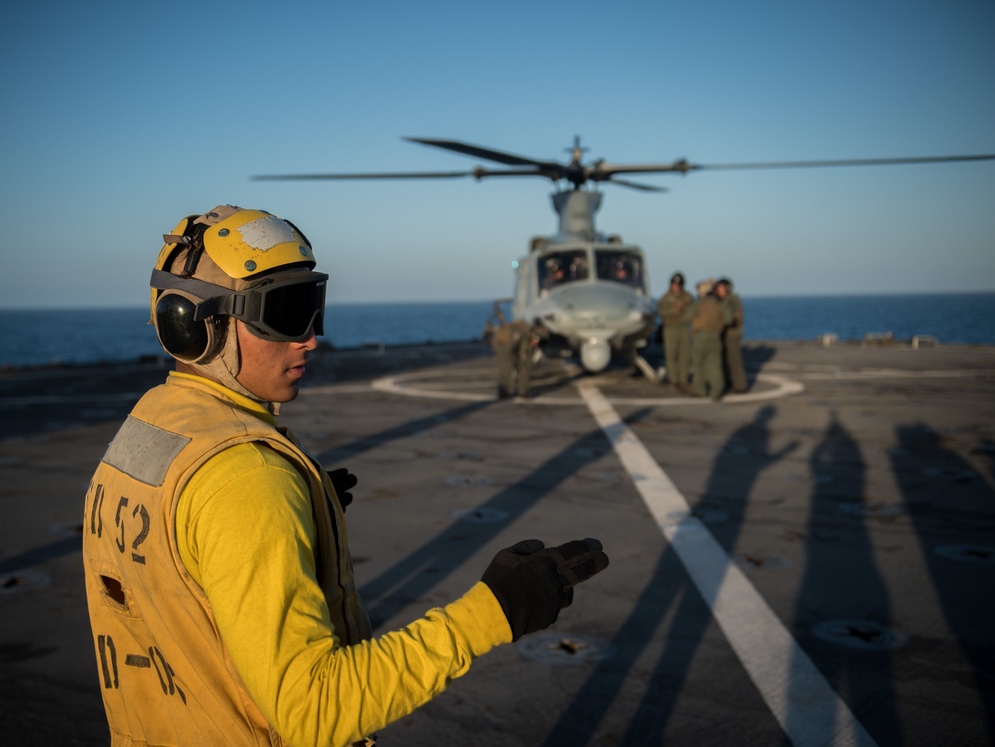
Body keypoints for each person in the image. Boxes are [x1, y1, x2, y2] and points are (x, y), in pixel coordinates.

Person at [82, 205, 609, 747]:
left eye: (313, 308)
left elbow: (177, 570)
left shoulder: (152, 424)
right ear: (193, 325)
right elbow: (316, 712)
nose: (311, 338)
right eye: (286, 313)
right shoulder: (244, 478)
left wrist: (291, 514)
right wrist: (494, 611)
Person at [689, 278, 733, 400]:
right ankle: (716, 392)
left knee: (698, 365)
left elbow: (687, 316)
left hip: (699, 337)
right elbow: (728, 319)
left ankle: (700, 390)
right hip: (715, 336)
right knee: (715, 365)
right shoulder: (719, 304)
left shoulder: (698, 304)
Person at [656, 272, 694, 391]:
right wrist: (674, 312)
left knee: (684, 354)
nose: (676, 287)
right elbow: (661, 311)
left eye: (679, 284)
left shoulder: (688, 297)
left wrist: (683, 316)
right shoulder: (665, 298)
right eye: (674, 284)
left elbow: (692, 311)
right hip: (670, 328)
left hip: (683, 327)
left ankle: (683, 379)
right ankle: (673, 380)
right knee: (671, 355)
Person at [715, 277, 747, 393]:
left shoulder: (732, 301)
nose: (718, 290)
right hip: (724, 332)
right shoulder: (725, 300)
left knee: (734, 360)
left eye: (720, 288)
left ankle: (740, 385)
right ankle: (727, 381)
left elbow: (731, 317)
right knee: (724, 359)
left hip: (732, 333)